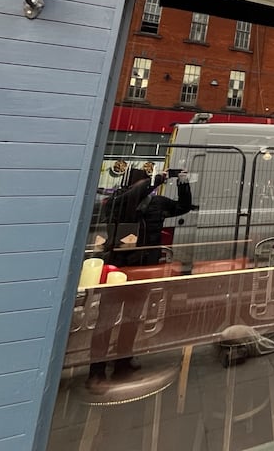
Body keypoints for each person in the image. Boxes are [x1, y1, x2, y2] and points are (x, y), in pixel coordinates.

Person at [87, 168, 194, 392]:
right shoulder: (116, 202)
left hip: (143, 269)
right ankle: (96, 371)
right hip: (118, 270)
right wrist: (157, 180)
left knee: (132, 317)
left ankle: (123, 361)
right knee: (106, 320)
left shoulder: (156, 204)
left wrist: (183, 183)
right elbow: (132, 197)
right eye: (143, 184)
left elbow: (183, 207)